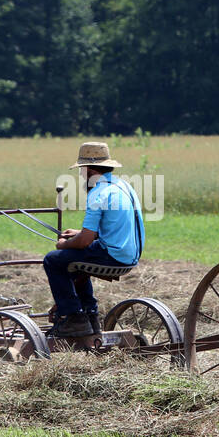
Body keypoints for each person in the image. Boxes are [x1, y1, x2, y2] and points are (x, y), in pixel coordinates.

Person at [43, 141, 145, 338]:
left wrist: (64, 243)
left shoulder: (98, 192)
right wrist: (79, 233)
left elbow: (84, 243)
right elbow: (112, 227)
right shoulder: (122, 186)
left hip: (112, 256)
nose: (81, 174)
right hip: (131, 255)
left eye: (82, 170)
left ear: (89, 169)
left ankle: (73, 317)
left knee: (53, 259)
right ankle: (90, 315)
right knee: (79, 260)